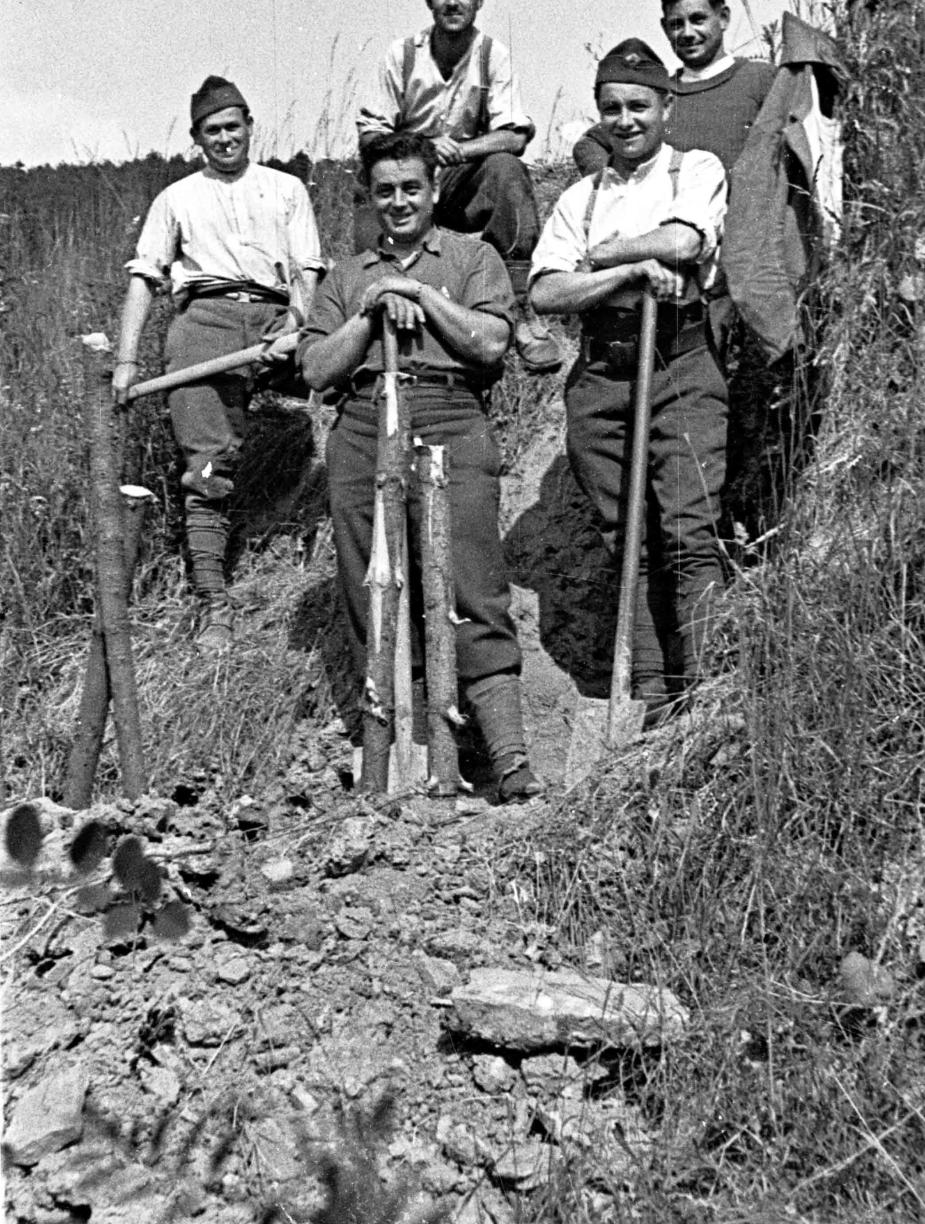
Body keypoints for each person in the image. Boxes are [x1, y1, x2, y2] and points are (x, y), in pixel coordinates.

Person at [298, 131, 542, 803]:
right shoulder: (346, 277)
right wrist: (373, 309)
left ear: (434, 190)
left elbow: (490, 343)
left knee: (471, 582)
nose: (399, 201)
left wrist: (417, 291)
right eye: (385, 191)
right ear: (369, 199)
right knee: (369, 586)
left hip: (449, 418)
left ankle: (506, 755)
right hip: (362, 425)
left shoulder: (472, 257)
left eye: (412, 188)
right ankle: (394, 750)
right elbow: (316, 367)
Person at [530, 41, 728, 719]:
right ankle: (644, 689)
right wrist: (625, 274)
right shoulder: (578, 197)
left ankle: (703, 694)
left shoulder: (692, 169)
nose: (624, 120)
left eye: (638, 105)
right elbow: (549, 293)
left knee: (687, 527)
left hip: (680, 359)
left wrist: (610, 252)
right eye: (610, 107)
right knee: (626, 534)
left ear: (665, 107)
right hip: (603, 368)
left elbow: (682, 243)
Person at [112, 76, 325, 653]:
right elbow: (144, 279)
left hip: (279, 321)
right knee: (205, 468)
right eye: (213, 131)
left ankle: (329, 540)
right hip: (205, 325)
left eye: (234, 126)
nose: (225, 138)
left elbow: (308, 268)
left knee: (345, 384)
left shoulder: (285, 189)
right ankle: (213, 601)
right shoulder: (177, 198)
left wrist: (299, 322)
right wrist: (127, 360)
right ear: (196, 139)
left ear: (251, 126)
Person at [356, 0, 561, 373]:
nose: (452, 2)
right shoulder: (403, 55)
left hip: (463, 182)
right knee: (367, 190)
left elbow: (516, 133)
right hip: (409, 175)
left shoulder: (492, 54)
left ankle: (521, 312)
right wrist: (424, 146)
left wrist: (461, 150)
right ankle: (362, 318)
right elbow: (372, 133)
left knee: (507, 170)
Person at [573, 0, 775, 180]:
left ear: (723, 18)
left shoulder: (761, 79)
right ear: (664, 28)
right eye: (677, 24)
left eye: (698, 20)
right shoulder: (656, 95)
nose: (687, 33)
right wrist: (616, 186)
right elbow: (591, 143)